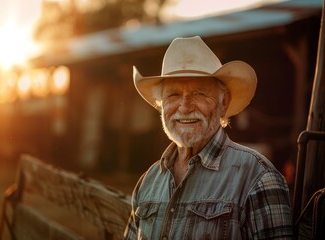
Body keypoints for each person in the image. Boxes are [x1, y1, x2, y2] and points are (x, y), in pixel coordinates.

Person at [123, 36, 293, 239]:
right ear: (161, 106)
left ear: (223, 103)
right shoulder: (149, 182)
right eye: (173, 95)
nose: (185, 107)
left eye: (199, 93)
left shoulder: (258, 178)